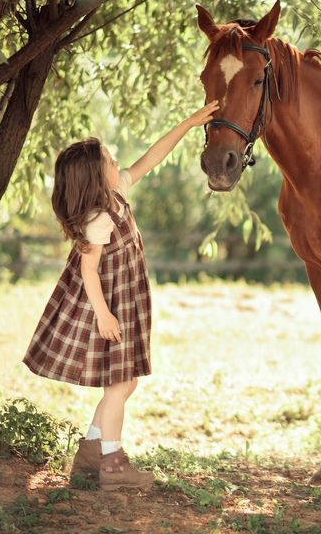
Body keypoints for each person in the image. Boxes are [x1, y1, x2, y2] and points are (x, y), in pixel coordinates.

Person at [24, 100, 219, 490]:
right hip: (107, 306)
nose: (119, 166)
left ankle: (91, 452)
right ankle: (112, 465)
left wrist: (189, 123)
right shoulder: (97, 218)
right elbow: (88, 269)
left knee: (126, 382)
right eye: (111, 162)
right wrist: (103, 315)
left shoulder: (116, 194)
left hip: (124, 301)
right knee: (118, 385)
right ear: (97, 179)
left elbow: (152, 156)